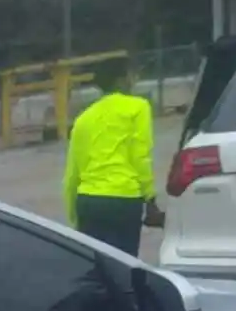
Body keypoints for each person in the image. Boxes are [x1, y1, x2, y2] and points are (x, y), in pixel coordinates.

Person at [62, 56, 163, 256]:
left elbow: (73, 173)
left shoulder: (83, 119)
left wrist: (75, 218)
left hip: (89, 202)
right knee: (124, 266)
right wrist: (150, 198)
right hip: (124, 199)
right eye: (131, 75)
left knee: (98, 270)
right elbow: (140, 156)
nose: (134, 80)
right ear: (121, 80)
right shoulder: (138, 107)